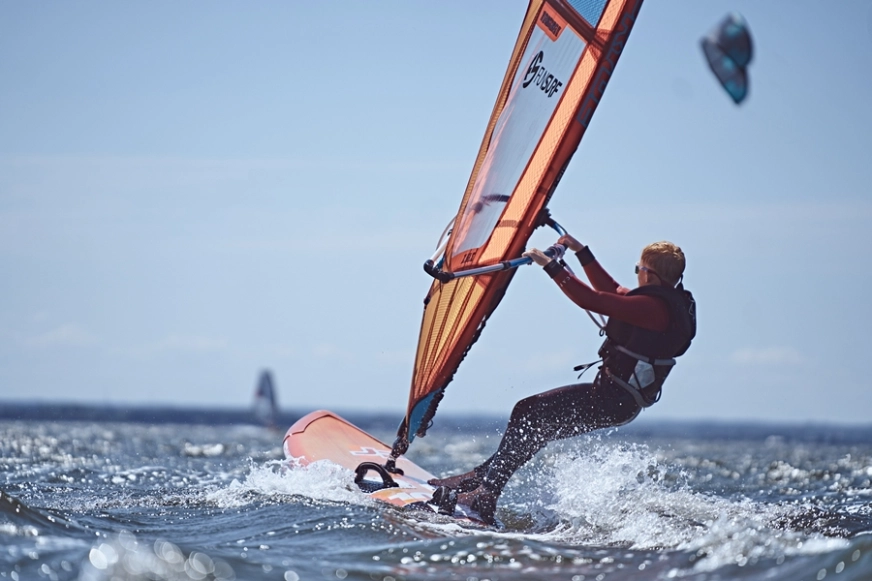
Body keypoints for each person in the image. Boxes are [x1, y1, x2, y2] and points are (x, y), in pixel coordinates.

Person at [428, 234, 697, 525]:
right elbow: (615, 290)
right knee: (535, 427)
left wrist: (550, 266)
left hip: (611, 400)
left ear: (651, 276)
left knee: (528, 412)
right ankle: (478, 483)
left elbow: (592, 300)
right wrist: (581, 252)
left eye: (638, 270)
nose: (636, 275)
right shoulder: (660, 304)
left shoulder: (652, 309)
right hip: (617, 399)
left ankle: (484, 495)